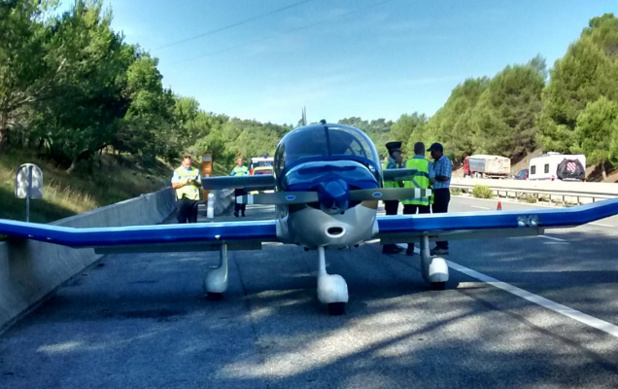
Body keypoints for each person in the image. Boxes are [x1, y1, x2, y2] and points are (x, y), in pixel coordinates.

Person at [402, 142, 435, 255]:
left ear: (414, 150)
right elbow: (432, 180)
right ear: (424, 150)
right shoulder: (428, 164)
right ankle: (424, 249)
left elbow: (400, 178)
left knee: (409, 224)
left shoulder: (406, 163)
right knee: (423, 225)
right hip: (422, 199)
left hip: (409, 198)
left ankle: (410, 247)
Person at [428, 142, 452, 255]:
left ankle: (443, 246)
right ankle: (439, 245)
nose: (431, 154)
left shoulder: (445, 161)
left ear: (438, 151)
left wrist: (433, 176)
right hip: (436, 192)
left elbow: (445, 177)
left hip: (442, 192)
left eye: (433, 152)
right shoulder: (435, 162)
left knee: (441, 220)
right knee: (437, 220)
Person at [382, 141, 404, 254]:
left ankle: (390, 244)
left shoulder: (390, 163)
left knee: (391, 220)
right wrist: (400, 165)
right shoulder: (391, 164)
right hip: (391, 195)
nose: (400, 154)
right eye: (398, 152)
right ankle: (388, 246)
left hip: (390, 195)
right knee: (390, 221)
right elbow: (397, 178)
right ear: (393, 153)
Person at [171, 155, 201, 223]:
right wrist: (184, 183)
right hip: (182, 198)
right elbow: (174, 185)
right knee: (182, 220)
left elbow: (200, 184)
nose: (188, 166)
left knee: (193, 221)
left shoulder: (196, 171)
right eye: (187, 164)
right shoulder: (177, 171)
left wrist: (194, 182)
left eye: (190, 164)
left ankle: (192, 233)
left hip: (194, 199)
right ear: (182, 162)